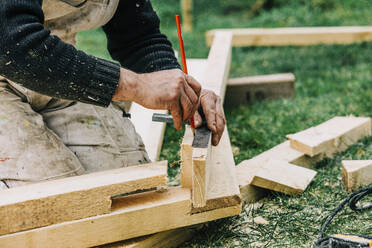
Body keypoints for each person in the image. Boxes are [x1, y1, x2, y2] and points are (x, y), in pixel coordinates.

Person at [0, 0, 225, 189]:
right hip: (11, 65)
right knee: (59, 204)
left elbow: (138, 37)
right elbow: (12, 43)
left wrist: (181, 87)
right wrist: (136, 85)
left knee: (131, 191)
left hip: (58, 69)